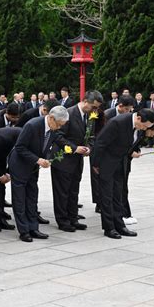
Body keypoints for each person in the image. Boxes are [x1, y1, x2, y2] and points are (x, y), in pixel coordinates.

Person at [8, 106, 69, 242]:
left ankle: (33, 228)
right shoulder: (32, 125)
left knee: (32, 196)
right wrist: (37, 159)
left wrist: (46, 159)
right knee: (20, 198)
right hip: (20, 164)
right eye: (58, 125)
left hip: (33, 167)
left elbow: (46, 147)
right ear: (52, 118)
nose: (59, 128)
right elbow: (20, 147)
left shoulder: (53, 129)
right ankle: (24, 231)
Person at [92, 109, 154, 239]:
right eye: (144, 126)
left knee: (118, 195)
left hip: (120, 163)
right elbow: (100, 143)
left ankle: (120, 225)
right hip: (107, 163)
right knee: (107, 196)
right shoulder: (117, 122)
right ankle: (109, 228)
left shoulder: (135, 125)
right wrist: (96, 164)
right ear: (138, 118)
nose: (144, 129)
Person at [51, 90, 103, 232]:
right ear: (85, 101)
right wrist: (75, 148)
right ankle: (63, 220)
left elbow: (91, 136)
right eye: (94, 107)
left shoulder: (89, 116)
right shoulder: (68, 113)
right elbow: (58, 136)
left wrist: (89, 148)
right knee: (62, 192)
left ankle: (73, 218)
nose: (95, 110)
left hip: (77, 161)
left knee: (74, 191)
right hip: (63, 159)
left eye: (97, 108)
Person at [122, 120, 154, 225]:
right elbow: (122, 144)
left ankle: (125, 213)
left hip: (126, 162)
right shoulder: (136, 129)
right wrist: (130, 152)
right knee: (122, 188)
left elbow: (134, 145)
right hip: (119, 161)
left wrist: (136, 151)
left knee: (123, 188)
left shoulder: (141, 134)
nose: (152, 136)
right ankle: (123, 214)